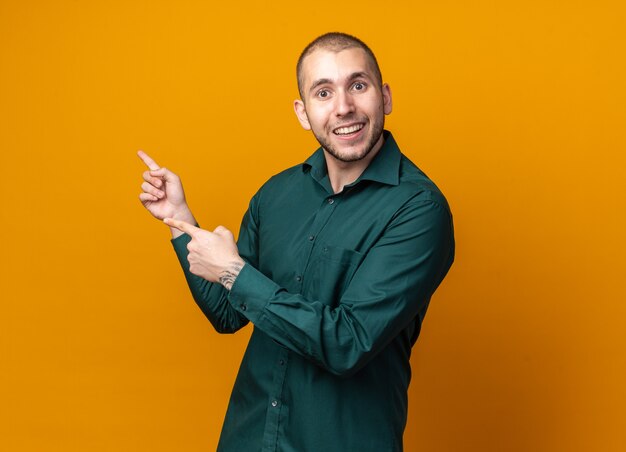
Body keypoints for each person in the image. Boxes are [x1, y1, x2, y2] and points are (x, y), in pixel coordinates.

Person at [138, 32, 454, 452]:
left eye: (358, 85)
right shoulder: (276, 194)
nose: (344, 106)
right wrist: (179, 220)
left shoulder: (418, 209)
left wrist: (234, 271)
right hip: (248, 438)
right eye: (324, 92)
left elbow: (348, 343)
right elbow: (226, 313)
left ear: (386, 97)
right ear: (303, 112)